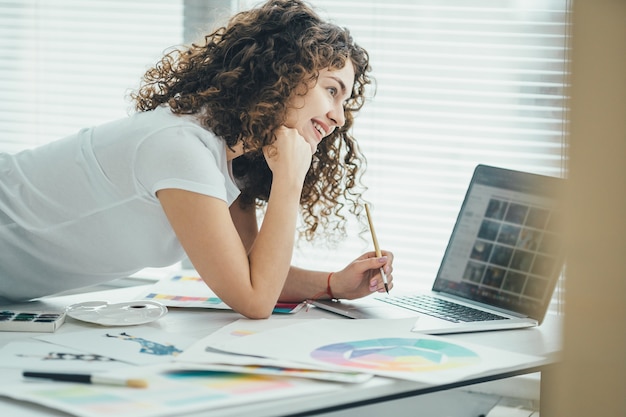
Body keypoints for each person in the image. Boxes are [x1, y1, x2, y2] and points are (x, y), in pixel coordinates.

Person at [0, 0, 393, 318]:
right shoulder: (181, 146)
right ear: (283, 74)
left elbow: (254, 274)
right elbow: (254, 301)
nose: (339, 117)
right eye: (331, 90)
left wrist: (333, 283)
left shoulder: (231, 159)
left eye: (345, 100)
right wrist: (288, 183)